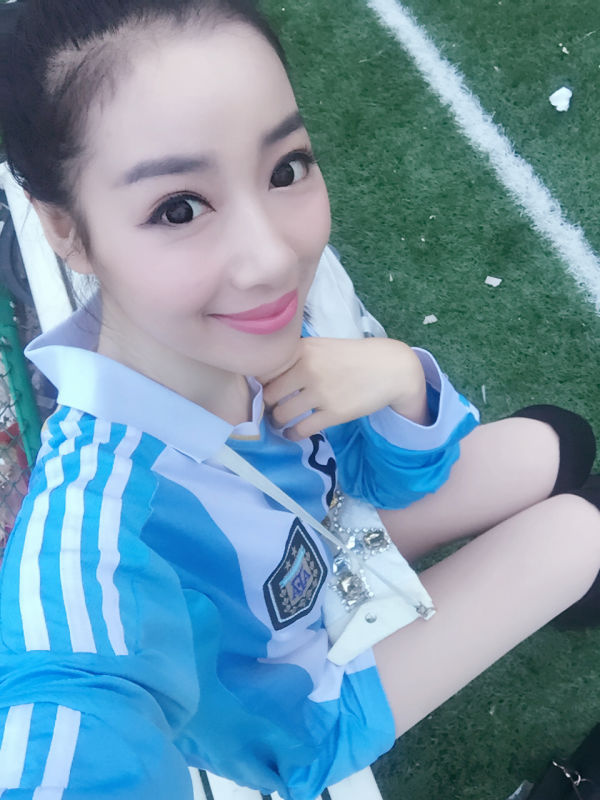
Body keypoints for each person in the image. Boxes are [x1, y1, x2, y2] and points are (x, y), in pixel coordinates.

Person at [0, 1, 599, 798]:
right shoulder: (93, 539)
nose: (273, 257)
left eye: (285, 168)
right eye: (179, 208)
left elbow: (387, 478)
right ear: (64, 229)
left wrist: (399, 376)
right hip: (304, 704)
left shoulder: (247, 331)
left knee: (560, 438)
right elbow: (69, 717)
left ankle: (563, 592)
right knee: (583, 526)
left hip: (327, 543)